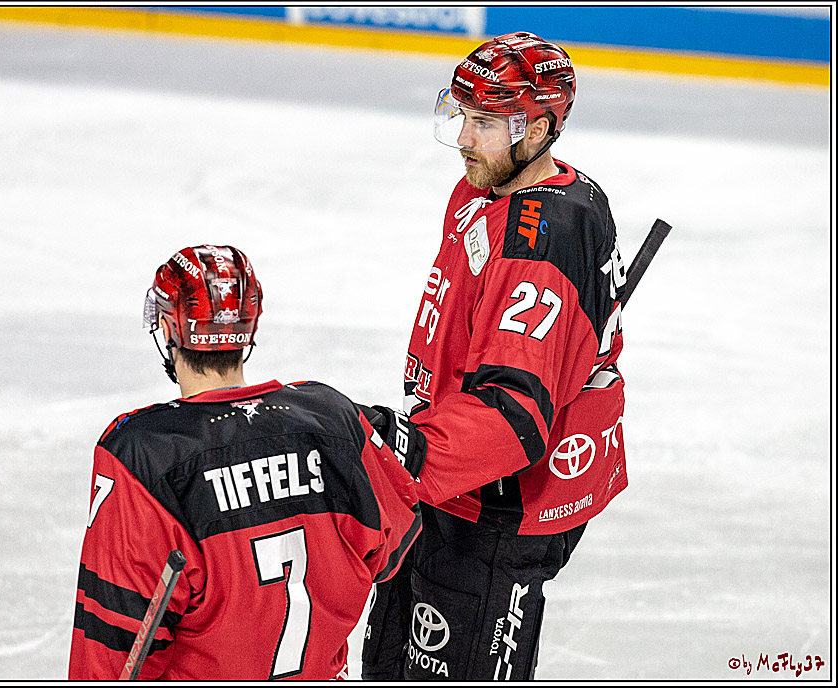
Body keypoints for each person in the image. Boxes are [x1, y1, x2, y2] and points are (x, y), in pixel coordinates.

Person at [359, 32, 629, 681]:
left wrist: (404, 452)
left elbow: (514, 415)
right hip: (444, 483)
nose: (463, 139)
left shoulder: (548, 236)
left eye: (483, 123)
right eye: (463, 116)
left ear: (536, 128)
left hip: (496, 510)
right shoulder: (483, 189)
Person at [68, 244, 422, 680]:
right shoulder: (333, 419)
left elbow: (113, 651)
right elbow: (393, 543)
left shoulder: (143, 457)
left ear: (166, 326)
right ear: (249, 329)